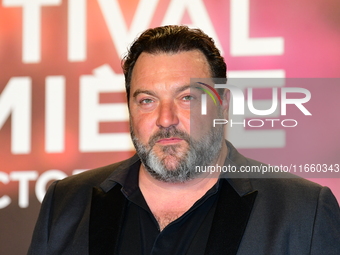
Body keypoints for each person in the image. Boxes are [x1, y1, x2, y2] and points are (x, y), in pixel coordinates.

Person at [28, 25, 340, 255]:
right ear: (129, 108)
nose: (166, 119)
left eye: (187, 98)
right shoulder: (66, 203)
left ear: (223, 104)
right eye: (147, 100)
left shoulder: (303, 212)